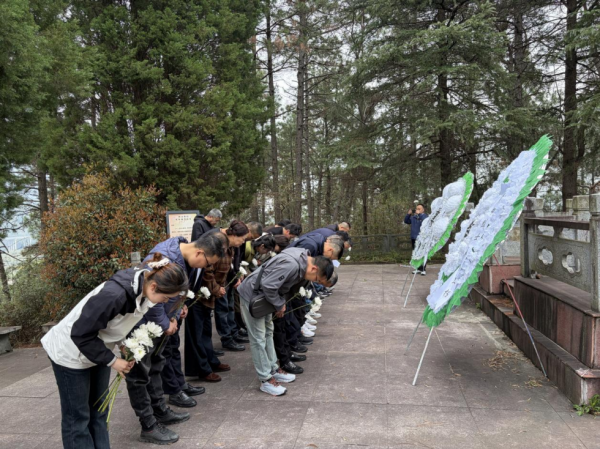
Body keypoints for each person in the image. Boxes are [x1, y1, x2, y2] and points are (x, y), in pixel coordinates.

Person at [42, 254, 189, 449]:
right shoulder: (114, 295)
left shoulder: (144, 289)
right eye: (166, 298)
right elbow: (80, 334)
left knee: (99, 410)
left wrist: (122, 345)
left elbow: (116, 321)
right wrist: (113, 361)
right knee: (78, 417)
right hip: (70, 353)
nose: (164, 302)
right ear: (154, 287)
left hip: (98, 349)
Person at [127, 234, 224, 445]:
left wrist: (180, 308)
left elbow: (176, 292)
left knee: (156, 366)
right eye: (208, 263)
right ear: (199, 253)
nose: (206, 268)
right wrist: (165, 323)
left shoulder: (183, 256)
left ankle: (159, 410)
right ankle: (148, 425)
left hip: (163, 322)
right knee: (140, 375)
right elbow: (152, 300)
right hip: (144, 326)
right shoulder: (163, 258)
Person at [237, 248, 335, 396]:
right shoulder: (292, 264)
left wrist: (278, 303)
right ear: (314, 268)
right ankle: (265, 379)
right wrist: (279, 304)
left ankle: (273, 369)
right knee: (258, 338)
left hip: (265, 298)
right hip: (253, 296)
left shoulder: (302, 258)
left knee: (268, 332)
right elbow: (269, 285)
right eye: (316, 278)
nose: (313, 281)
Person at [208, 220, 250, 352]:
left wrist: (235, 277)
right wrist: (216, 287)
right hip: (215, 284)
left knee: (229, 307)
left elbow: (230, 264)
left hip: (226, 280)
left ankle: (233, 333)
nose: (243, 242)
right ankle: (226, 338)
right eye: (242, 239)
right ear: (234, 235)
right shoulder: (217, 243)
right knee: (222, 310)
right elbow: (208, 269)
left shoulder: (230, 245)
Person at [404, 203, 429, 275]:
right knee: (416, 253)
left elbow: (425, 222)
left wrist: (420, 215)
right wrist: (408, 214)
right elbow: (406, 221)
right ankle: (418, 268)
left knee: (422, 253)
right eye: (416, 208)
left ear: (423, 210)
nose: (417, 210)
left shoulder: (425, 217)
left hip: (422, 238)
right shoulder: (413, 217)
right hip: (414, 238)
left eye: (419, 209)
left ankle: (423, 269)